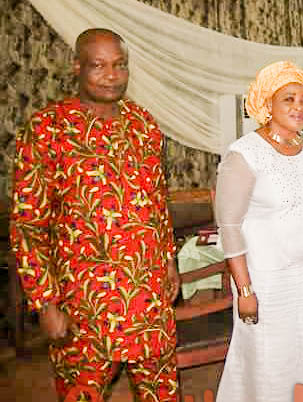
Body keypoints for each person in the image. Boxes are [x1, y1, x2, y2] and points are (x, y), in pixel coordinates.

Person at [10, 28, 179, 401]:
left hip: (148, 297)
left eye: (119, 65)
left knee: (161, 393)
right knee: (81, 394)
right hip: (85, 304)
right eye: (98, 66)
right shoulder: (47, 129)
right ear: (77, 67)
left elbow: (157, 201)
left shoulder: (144, 126)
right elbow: (28, 225)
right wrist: (45, 302)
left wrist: (168, 260)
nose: (111, 76)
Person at [214, 61, 303, 402]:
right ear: (268, 103)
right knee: (268, 358)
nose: (298, 108)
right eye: (288, 99)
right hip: (264, 277)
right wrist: (244, 290)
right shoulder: (245, 153)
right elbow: (229, 226)